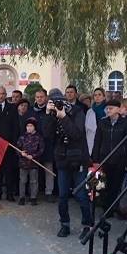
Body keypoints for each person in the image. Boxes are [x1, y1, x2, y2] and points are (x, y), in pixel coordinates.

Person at [43, 90, 92, 239]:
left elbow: (76, 133)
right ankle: (64, 224)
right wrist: (48, 113)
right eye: (55, 102)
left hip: (78, 159)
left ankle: (87, 226)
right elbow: (47, 133)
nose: (59, 104)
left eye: (61, 101)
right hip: (63, 159)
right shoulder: (53, 114)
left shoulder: (77, 111)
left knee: (81, 195)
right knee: (62, 195)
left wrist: (64, 116)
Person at [91, 99, 127, 217]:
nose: (108, 110)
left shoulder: (126, 123)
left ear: (118, 109)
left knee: (116, 185)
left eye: (111, 108)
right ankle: (107, 208)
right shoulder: (102, 122)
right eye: (107, 108)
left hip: (120, 159)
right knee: (105, 185)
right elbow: (97, 141)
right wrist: (95, 160)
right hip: (105, 158)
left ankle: (113, 208)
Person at [26, 88, 56, 202]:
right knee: (33, 170)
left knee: (48, 169)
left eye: (42, 97)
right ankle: (34, 193)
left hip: (48, 143)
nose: (39, 99)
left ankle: (49, 192)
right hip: (33, 145)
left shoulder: (51, 110)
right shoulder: (30, 111)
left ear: (46, 97)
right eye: (37, 97)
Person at [17, 117, 44, 206]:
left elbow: (41, 149)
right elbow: (17, 148)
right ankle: (22, 197)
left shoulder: (38, 137)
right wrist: (21, 153)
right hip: (23, 163)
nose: (29, 127)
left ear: (34, 127)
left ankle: (33, 197)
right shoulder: (22, 137)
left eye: (31, 126)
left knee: (33, 181)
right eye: (28, 126)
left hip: (33, 163)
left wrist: (33, 156)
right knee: (22, 180)